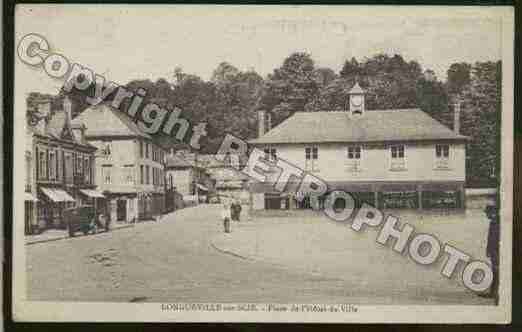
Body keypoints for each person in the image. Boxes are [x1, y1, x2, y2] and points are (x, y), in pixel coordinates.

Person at [484, 204, 499, 303]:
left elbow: (494, 239)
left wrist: (491, 250)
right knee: (495, 270)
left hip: (496, 251)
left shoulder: (496, 223)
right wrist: (488, 249)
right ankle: (493, 291)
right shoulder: (495, 222)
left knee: (496, 270)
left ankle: (494, 292)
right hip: (494, 251)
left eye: (487, 213)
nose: (486, 215)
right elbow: (491, 238)